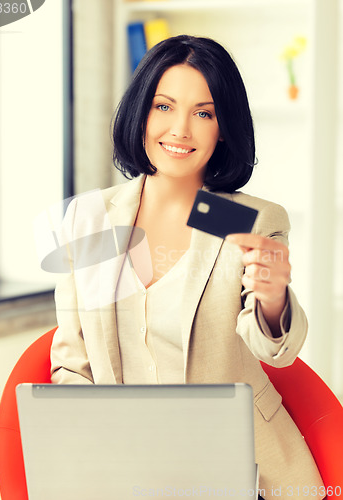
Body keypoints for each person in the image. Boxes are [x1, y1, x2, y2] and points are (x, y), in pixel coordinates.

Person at [50, 35, 324, 498]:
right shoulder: (91, 219)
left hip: (239, 469)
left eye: (203, 113)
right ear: (140, 113)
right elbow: (72, 361)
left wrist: (274, 299)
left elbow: (274, 350)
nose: (180, 129)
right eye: (163, 106)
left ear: (223, 129)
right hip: (126, 466)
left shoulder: (245, 219)